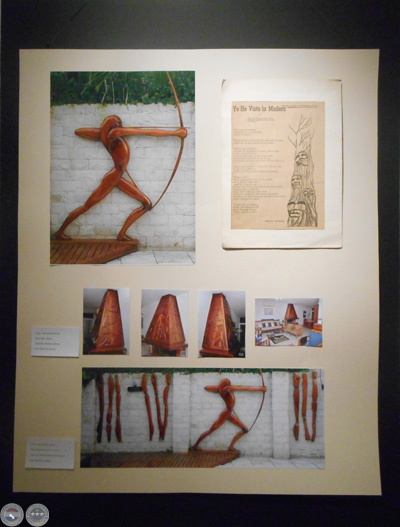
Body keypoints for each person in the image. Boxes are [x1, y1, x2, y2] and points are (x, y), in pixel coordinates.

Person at [55, 114, 186, 240]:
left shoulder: (106, 135)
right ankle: (60, 232)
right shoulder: (115, 133)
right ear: (112, 125)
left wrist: (101, 131)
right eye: (118, 123)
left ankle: (121, 235)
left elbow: (79, 131)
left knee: (147, 204)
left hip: (117, 178)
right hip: (113, 178)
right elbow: (145, 131)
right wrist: (175, 133)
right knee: (86, 206)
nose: (121, 125)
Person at [192, 378, 266, 451]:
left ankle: (231, 447)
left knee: (245, 429)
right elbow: (244, 388)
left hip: (228, 414)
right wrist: (260, 389)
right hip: (226, 414)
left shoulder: (221, 389)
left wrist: (218, 388)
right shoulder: (226, 389)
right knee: (210, 430)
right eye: (227, 383)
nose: (229, 384)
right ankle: (195, 446)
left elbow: (206, 387)